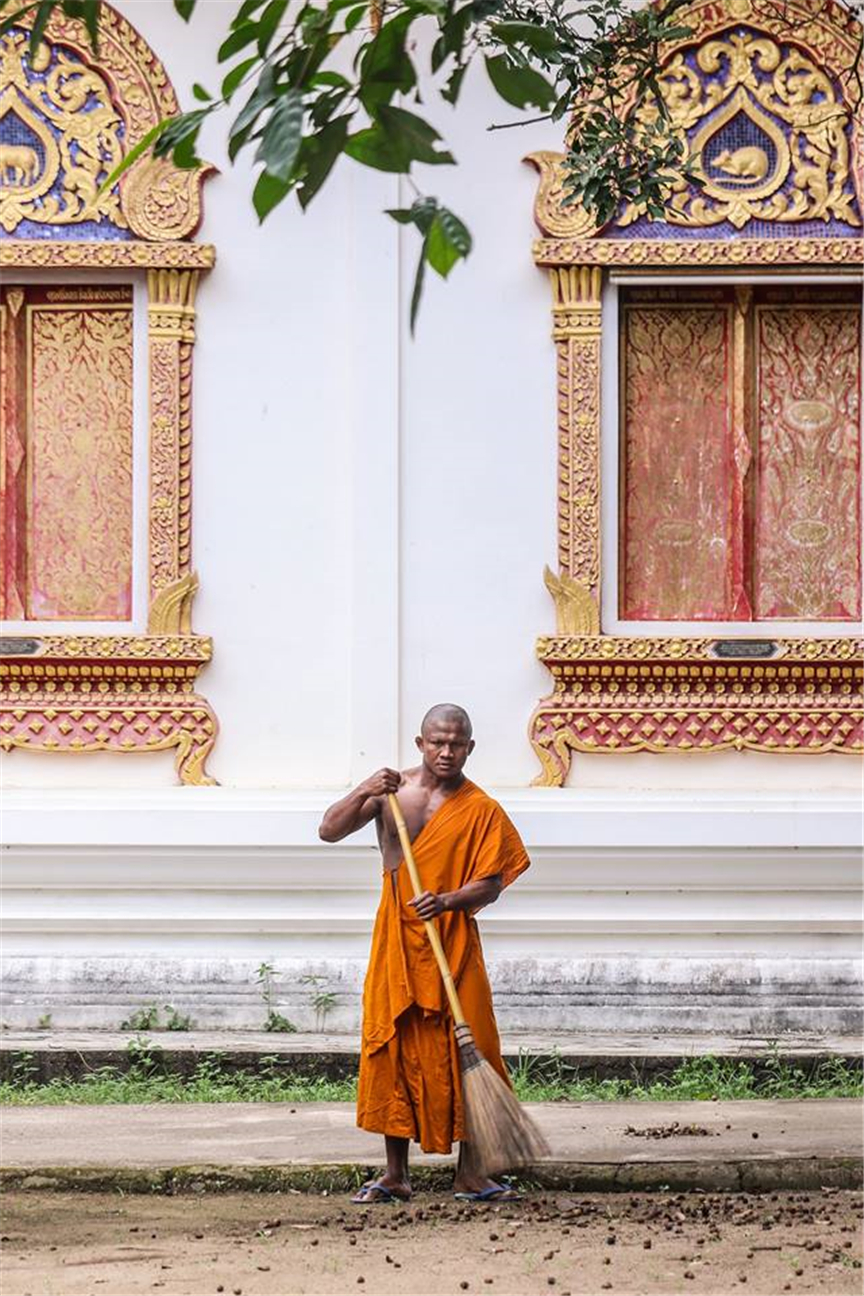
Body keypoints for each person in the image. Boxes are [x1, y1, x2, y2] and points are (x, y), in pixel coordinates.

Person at [319, 703, 530, 1204]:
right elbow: (328, 829)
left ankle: (472, 1174)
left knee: (475, 1044)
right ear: (420, 743)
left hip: (452, 939)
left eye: (457, 744)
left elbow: (494, 883)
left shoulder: (481, 809)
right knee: (394, 1043)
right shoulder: (393, 796)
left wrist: (448, 900)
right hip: (397, 937)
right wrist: (364, 790)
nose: (446, 751)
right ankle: (395, 1174)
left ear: (470, 749)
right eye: (437, 742)